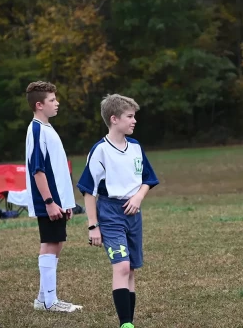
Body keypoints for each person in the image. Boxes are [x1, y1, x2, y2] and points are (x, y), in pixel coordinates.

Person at [77, 94, 159, 328]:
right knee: (121, 266)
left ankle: (129, 322)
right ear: (114, 119)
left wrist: (138, 196)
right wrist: (93, 225)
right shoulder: (100, 151)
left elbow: (148, 179)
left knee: (131, 268)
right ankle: (125, 324)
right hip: (110, 213)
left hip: (133, 213)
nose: (134, 121)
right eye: (130, 117)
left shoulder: (135, 147)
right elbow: (88, 191)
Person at [25, 81, 82, 312]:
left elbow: (56, 169)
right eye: (52, 100)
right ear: (39, 105)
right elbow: (37, 170)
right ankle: (50, 302)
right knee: (50, 244)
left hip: (57, 202)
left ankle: (43, 299)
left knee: (55, 243)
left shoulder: (47, 128)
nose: (56, 103)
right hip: (48, 202)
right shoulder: (36, 129)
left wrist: (65, 202)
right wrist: (49, 202)